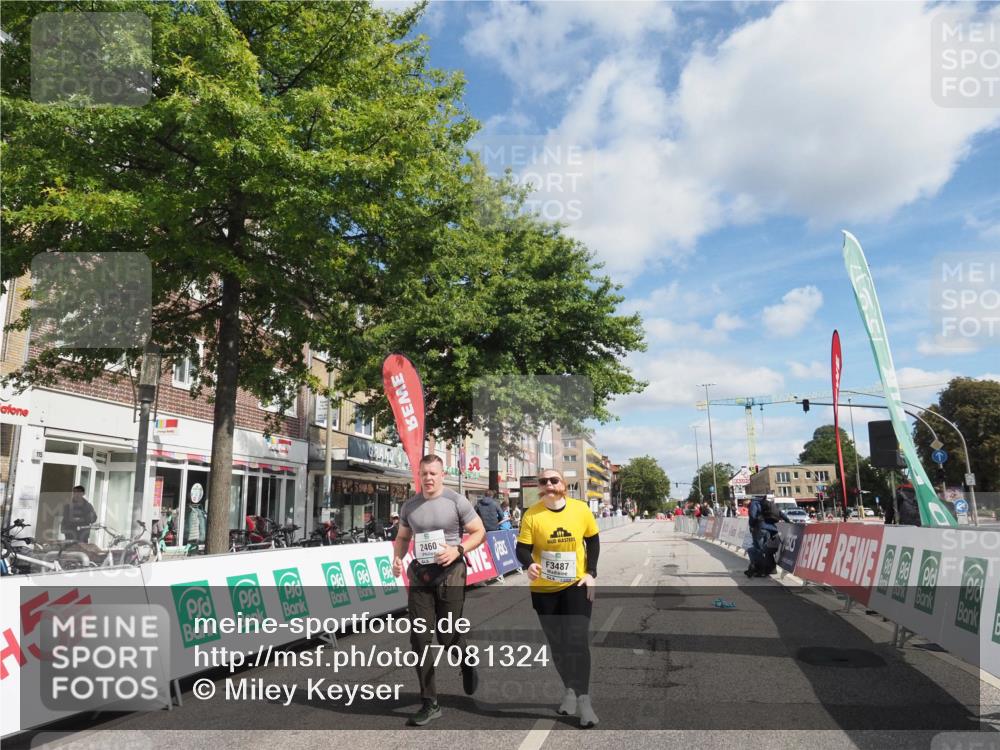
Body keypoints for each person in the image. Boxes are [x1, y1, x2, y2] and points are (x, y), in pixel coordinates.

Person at [392, 455, 487, 726]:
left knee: (447, 636)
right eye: (424, 474)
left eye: (433, 473)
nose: (428, 478)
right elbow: (402, 537)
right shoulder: (410, 506)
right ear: (418, 476)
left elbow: (479, 532)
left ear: (442, 474)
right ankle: (429, 702)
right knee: (419, 638)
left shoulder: (456, 501)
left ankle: (466, 660)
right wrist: (397, 559)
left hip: (451, 572)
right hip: (421, 575)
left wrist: (457, 549)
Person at [515, 469, 600, 728]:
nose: (549, 485)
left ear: (563, 484)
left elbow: (593, 541)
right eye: (544, 481)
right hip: (544, 590)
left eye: (554, 480)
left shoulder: (580, 509)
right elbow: (522, 548)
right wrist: (529, 564)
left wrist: (591, 573)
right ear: (539, 487)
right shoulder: (532, 514)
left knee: (576, 641)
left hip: (575, 585)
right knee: (558, 645)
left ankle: (584, 701)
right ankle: (570, 691)